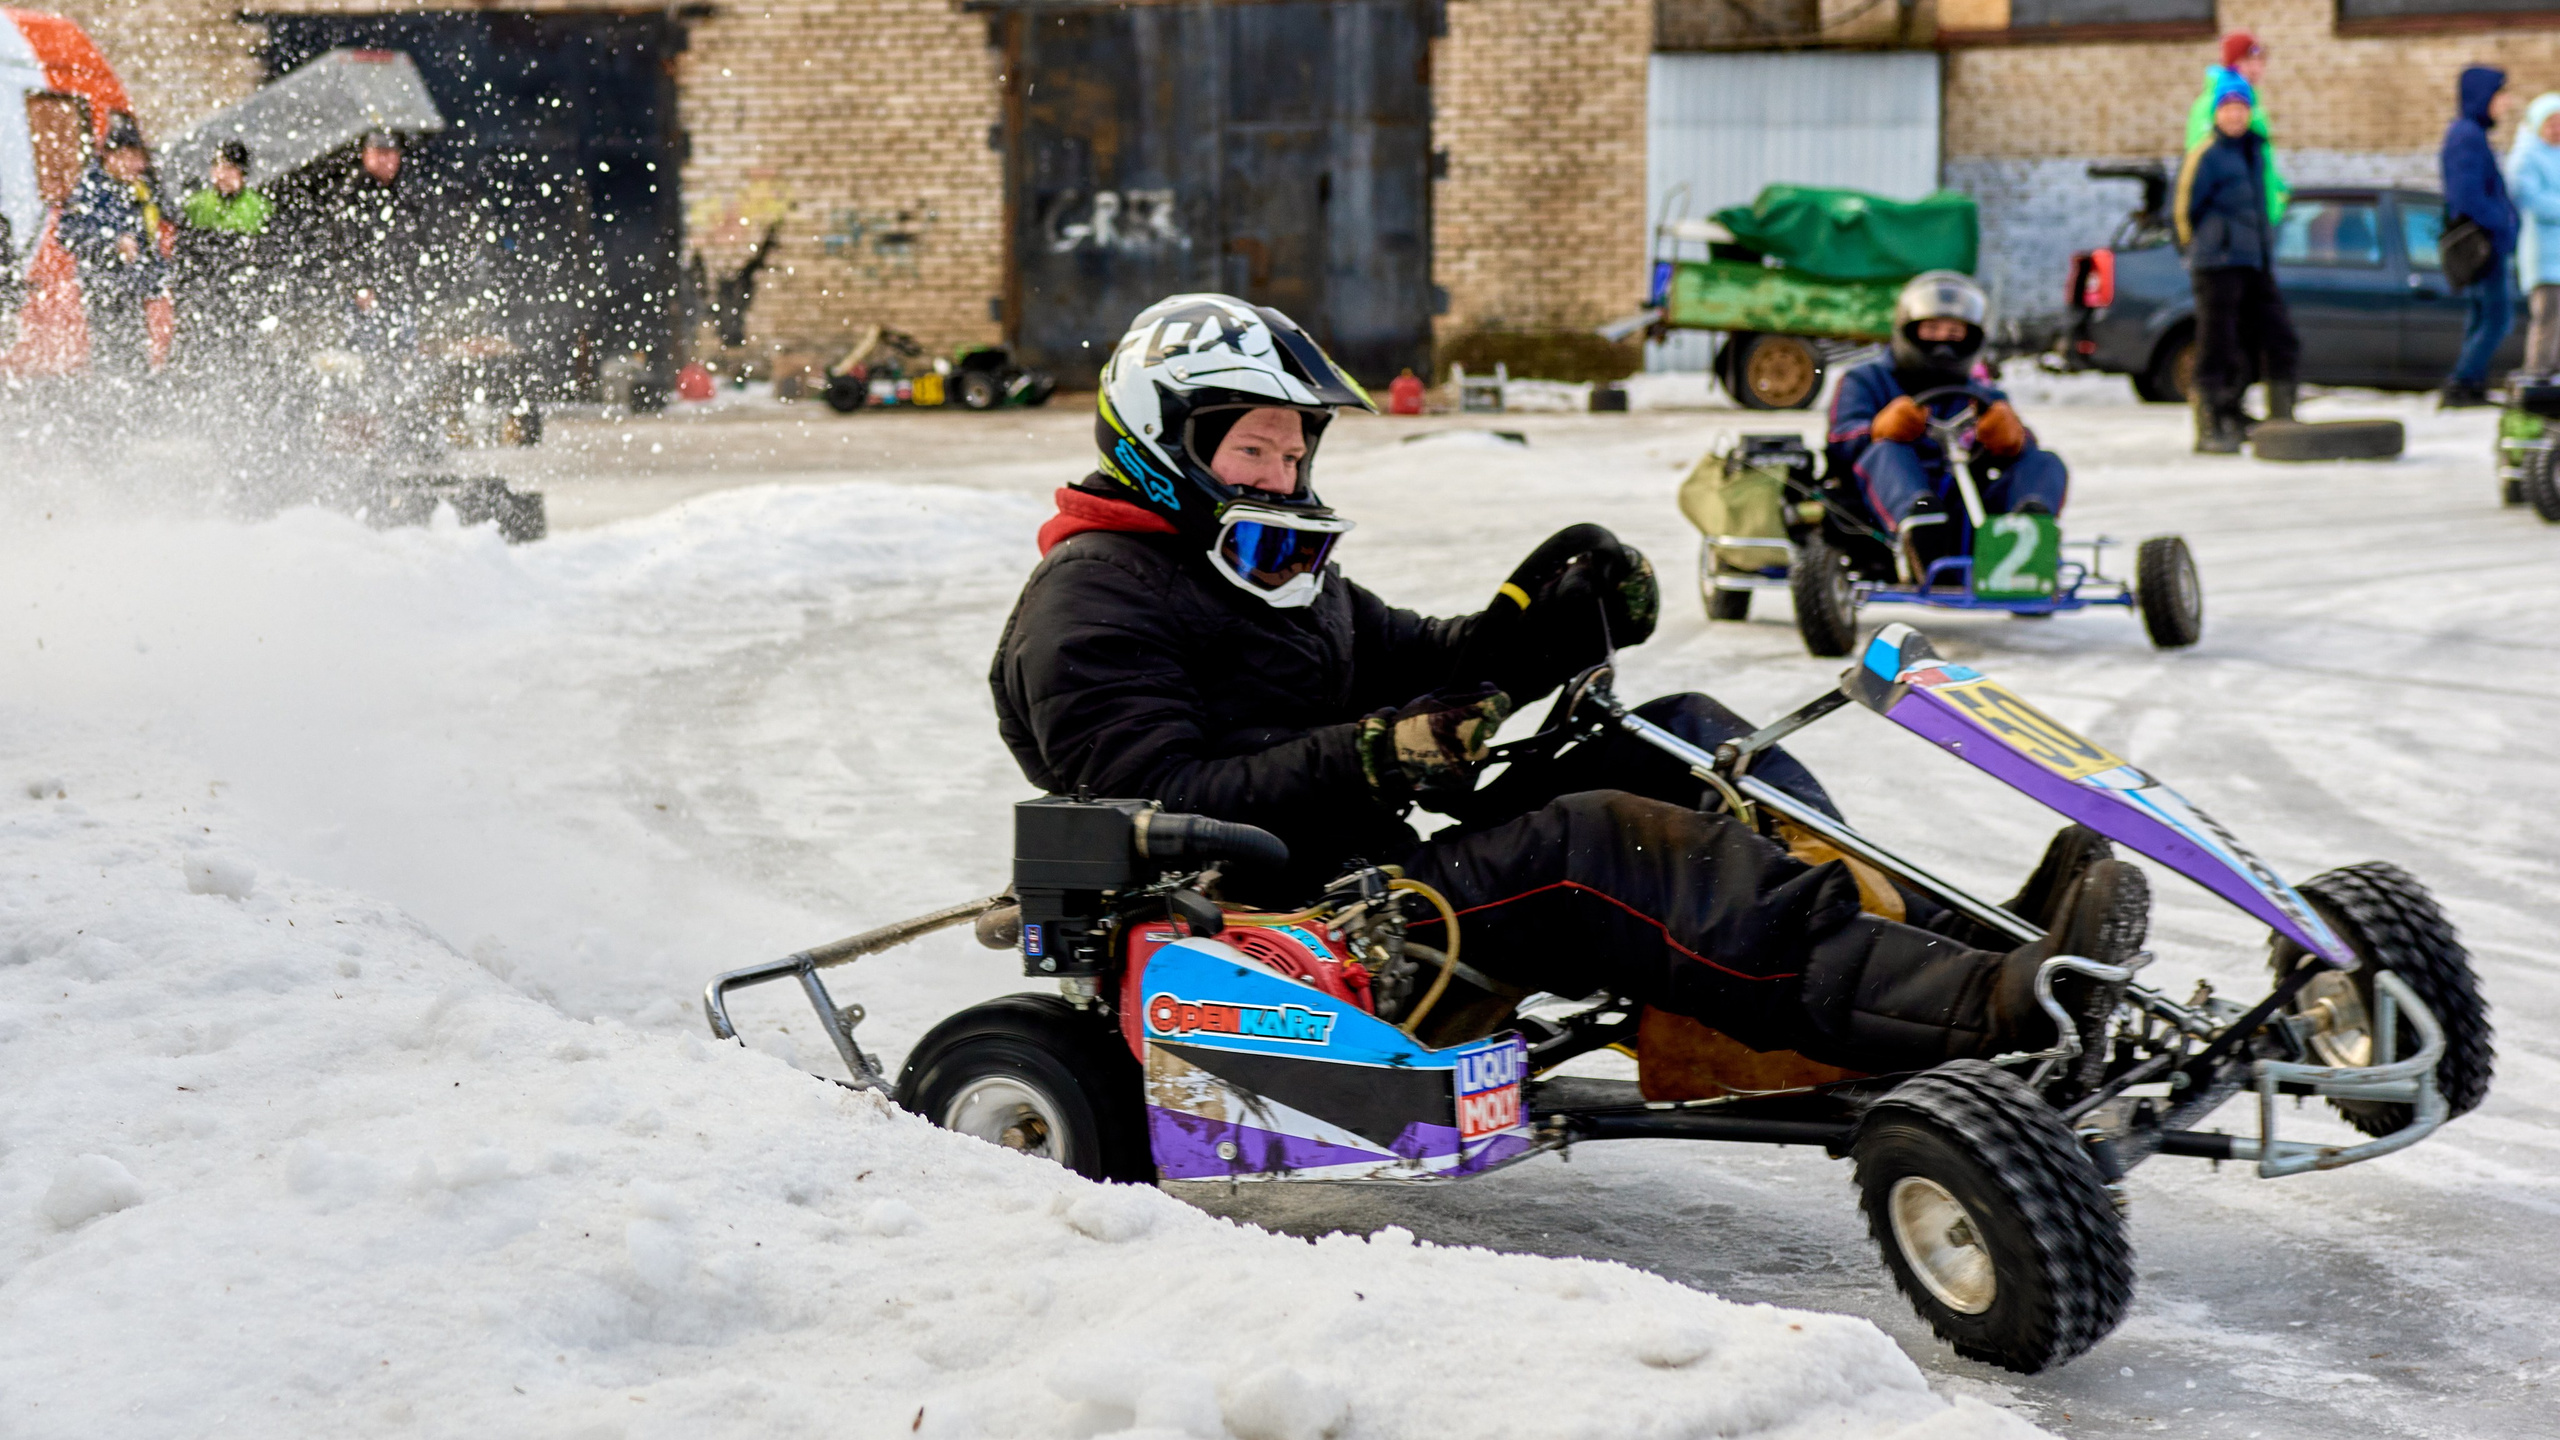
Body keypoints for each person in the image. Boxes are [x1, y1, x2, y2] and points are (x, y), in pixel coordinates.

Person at [989, 292, 2149, 1081]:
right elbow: (1148, 792)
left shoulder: (1268, 565)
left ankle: (1970, 946)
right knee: (1599, 844)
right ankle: (1975, 1017)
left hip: (1379, 869)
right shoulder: (1095, 598)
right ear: (1163, 440)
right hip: (1296, 924)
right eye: (1253, 449)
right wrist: (1373, 756)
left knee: (1680, 739)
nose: (1282, 473)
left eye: (1294, 451)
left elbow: (1430, 662)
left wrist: (1544, 623)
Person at [1825, 271, 2065, 550]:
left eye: (1954, 332)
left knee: (2046, 462)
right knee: (1887, 451)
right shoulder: (1866, 380)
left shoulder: (1983, 394)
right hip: (1884, 505)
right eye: (1932, 329)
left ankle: (2027, 538)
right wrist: (1879, 430)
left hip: (1967, 503)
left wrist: (2014, 440)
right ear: (1909, 329)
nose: (1943, 341)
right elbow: (1838, 442)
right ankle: (1921, 537)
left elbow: (2022, 449)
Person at [2176, 76, 2301, 452]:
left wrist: (2264, 248)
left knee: (2279, 337)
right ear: (2217, 113)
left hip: (2255, 261)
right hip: (2217, 264)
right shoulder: (2208, 153)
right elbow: (2184, 210)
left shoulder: (2255, 150)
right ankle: (2210, 425)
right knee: (2217, 343)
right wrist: (2202, 247)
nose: (2234, 115)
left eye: (2241, 108)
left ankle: (2280, 419)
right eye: (2227, 108)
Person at [56, 115, 169, 381]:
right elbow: (68, 233)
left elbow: (149, 237)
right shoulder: (90, 188)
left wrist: (157, 276)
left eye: (140, 159)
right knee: (112, 357)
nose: (138, 166)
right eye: (132, 158)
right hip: (104, 289)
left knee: (135, 358)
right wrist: (110, 244)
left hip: (131, 288)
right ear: (111, 156)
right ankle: (112, 406)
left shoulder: (136, 189)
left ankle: (130, 405)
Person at [2442, 66, 2521, 408]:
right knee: (2498, 317)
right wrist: (2501, 221)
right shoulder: (2466, 136)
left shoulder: (2469, 133)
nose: (2505, 103)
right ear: (2483, 97)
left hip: (2484, 241)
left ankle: (2470, 382)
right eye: (2500, 95)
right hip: (2482, 244)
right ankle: (2462, 382)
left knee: (2481, 315)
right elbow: (2466, 195)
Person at [176, 139, 275, 363]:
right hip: (208, 290)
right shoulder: (197, 205)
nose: (222, 175)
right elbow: (185, 250)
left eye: (229, 168)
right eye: (217, 167)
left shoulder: (257, 207)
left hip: (243, 291)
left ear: (242, 173)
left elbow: (268, 255)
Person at [2184, 30, 2289, 228]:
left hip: (2258, 219)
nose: (2256, 69)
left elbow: (2263, 163)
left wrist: (2279, 193)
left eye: (2260, 61)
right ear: (2231, 64)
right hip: (2229, 224)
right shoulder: (2210, 104)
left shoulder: (2255, 106)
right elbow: (2201, 164)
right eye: (2248, 61)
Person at [2508, 92, 2560, 379]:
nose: (2557, 129)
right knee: (2547, 318)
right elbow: (2531, 200)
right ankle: (2538, 372)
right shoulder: (2525, 156)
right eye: (2551, 123)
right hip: (2543, 256)